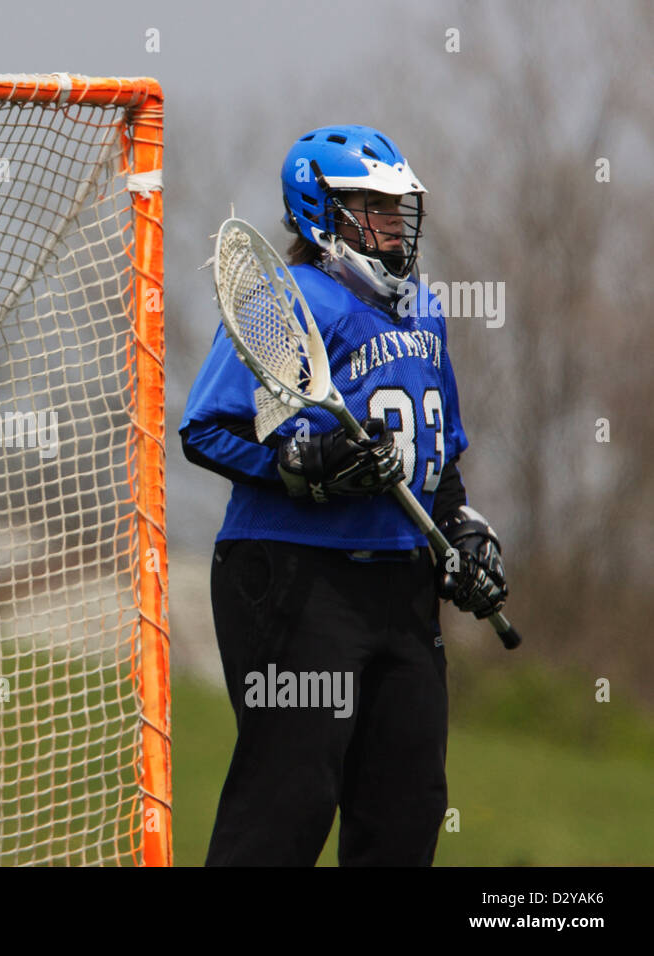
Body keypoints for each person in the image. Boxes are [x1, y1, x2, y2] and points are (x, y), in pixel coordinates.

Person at [180, 124, 509, 866]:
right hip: (297, 574)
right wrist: (300, 462)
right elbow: (206, 429)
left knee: (407, 808)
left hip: (400, 584)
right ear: (322, 210)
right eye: (374, 207)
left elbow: (439, 455)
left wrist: (462, 530)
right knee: (289, 800)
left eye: (399, 208)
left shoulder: (425, 309)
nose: (394, 224)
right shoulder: (288, 300)